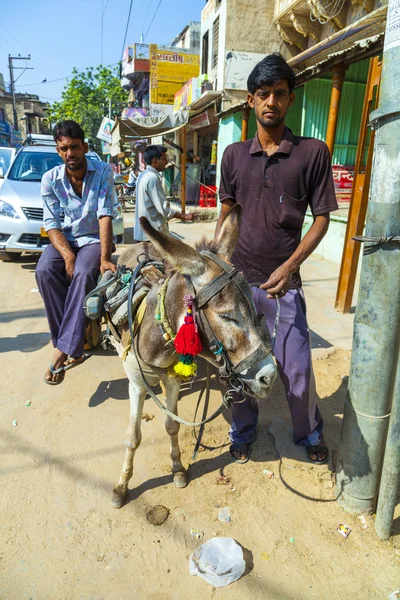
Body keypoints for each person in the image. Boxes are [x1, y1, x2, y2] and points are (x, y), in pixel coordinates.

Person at [216, 53, 338, 465]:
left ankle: (308, 431)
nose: (272, 101)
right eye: (263, 94)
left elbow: (321, 220)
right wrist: (218, 267)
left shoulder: (311, 153)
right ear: (251, 100)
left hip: (284, 285)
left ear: (291, 100)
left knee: (296, 370)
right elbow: (227, 214)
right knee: (238, 367)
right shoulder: (232, 155)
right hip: (238, 285)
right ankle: (242, 430)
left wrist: (291, 267)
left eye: (280, 94)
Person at [36, 120, 117, 385]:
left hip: (94, 239)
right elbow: (51, 225)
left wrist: (105, 259)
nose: (70, 153)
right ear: (58, 151)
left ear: (84, 147)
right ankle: (72, 341)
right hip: (66, 241)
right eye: (63, 149)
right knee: (44, 270)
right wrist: (67, 255)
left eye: (74, 147)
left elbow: (105, 215)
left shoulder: (103, 171)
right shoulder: (50, 179)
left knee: (84, 273)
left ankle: (63, 349)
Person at [133, 145, 194, 242]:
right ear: (155, 161)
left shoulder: (143, 175)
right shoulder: (152, 179)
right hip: (153, 234)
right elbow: (164, 209)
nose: (166, 162)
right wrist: (184, 216)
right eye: (164, 159)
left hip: (145, 232)